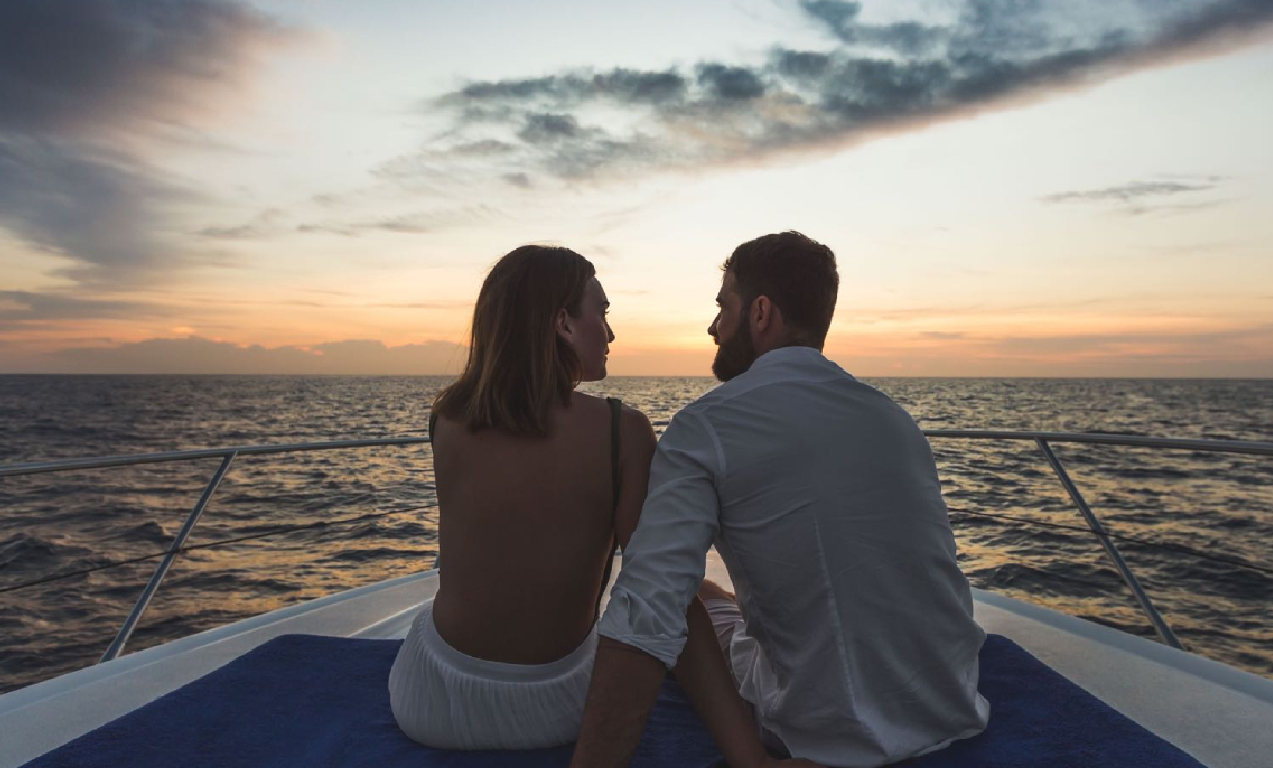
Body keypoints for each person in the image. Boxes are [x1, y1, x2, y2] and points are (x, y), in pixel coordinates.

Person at [571, 232, 990, 768]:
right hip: (948, 704)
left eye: (723, 306)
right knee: (711, 597)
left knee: (687, 601)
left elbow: (649, 609)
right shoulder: (894, 419)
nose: (713, 326)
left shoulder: (706, 425)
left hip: (832, 731)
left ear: (761, 312)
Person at [387, 244, 812, 768]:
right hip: (554, 709)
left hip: (430, 702)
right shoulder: (620, 431)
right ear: (563, 323)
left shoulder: (446, 419)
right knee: (688, 593)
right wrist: (748, 756)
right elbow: (665, 597)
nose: (610, 333)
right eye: (602, 313)